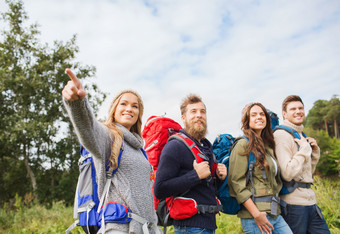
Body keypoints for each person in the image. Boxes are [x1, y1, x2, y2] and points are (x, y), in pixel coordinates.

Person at [62, 68, 158, 234]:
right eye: (124, 104)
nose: (129, 108)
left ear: (138, 114)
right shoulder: (108, 137)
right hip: (119, 228)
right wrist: (77, 104)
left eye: (135, 106)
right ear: (114, 108)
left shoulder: (139, 148)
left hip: (146, 229)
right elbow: (88, 128)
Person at [154, 94, 227, 234]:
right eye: (193, 111)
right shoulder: (175, 146)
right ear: (183, 118)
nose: (199, 115)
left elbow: (207, 189)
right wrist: (195, 175)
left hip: (209, 224)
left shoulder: (206, 147)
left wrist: (220, 177)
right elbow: (160, 189)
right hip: (189, 227)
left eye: (202, 111)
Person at [228, 102, 292, 234]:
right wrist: (256, 214)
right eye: (254, 115)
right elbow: (236, 183)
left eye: (262, 114)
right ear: (247, 120)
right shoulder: (242, 144)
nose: (259, 117)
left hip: (274, 213)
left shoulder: (268, 146)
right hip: (254, 217)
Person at [274, 95, 330, 233]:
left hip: (310, 202)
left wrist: (314, 152)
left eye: (300, 108)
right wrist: (305, 149)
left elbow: (307, 174)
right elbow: (287, 173)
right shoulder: (281, 135)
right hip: (294, 206)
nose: (298, 111)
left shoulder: (300, 135)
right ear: (284, 114)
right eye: (293, 109)